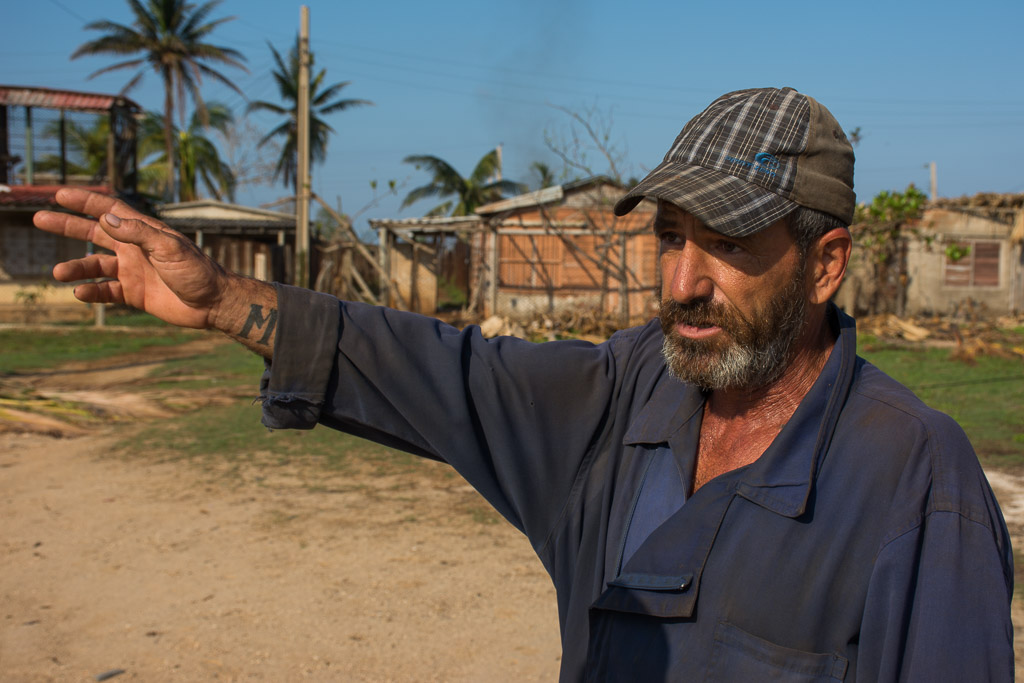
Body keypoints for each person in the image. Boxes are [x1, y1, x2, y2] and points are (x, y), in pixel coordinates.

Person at [34, 87, 1013, 681]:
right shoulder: (622, 396)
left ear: (826, 262)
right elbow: (444, 372)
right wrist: (224, 301)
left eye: (727, 245)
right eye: (671, 237)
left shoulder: (911, 477)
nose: (682, 282)